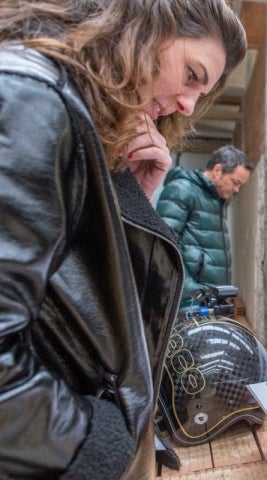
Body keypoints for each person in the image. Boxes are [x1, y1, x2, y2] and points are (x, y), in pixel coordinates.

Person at [0, 1, 246, 478]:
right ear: (143, 28)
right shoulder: (32, 98)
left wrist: (134, 199)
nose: (189, 105)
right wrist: (96, 440)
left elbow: (86, 307)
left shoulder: (72, 118)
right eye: (192, 74)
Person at [156, 145, 253, 304]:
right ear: (217, 170)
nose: (237, 189)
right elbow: (164, 247)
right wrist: (193, 292)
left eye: (240, 185)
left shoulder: (216, 199)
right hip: (189, 300)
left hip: (208, 298)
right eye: (235, 182)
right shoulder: (183, 190)